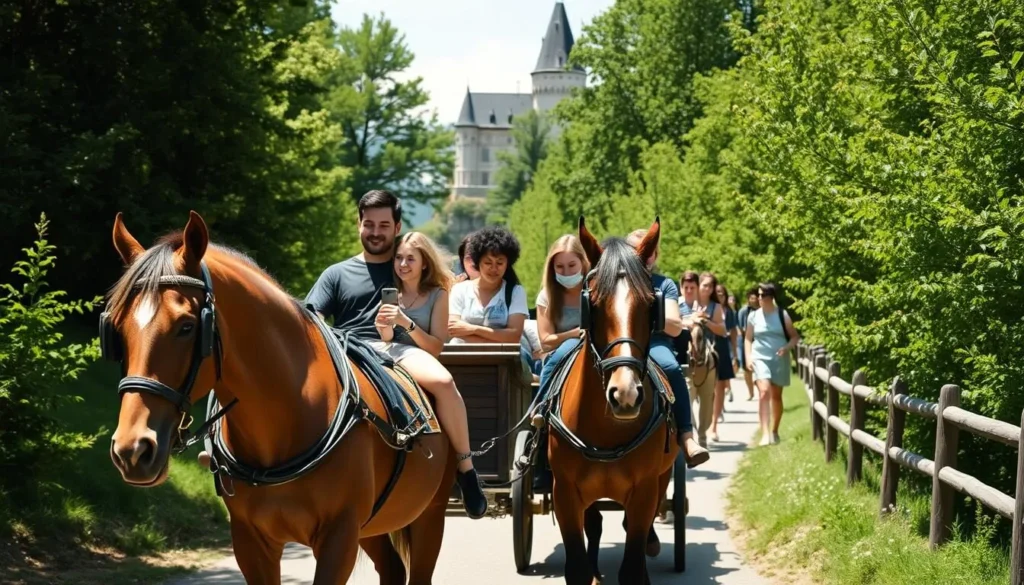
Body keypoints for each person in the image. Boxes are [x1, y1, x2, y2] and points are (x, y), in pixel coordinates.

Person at [304, 190, 488, 518]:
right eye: (369, 224)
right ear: (359, 225)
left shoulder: (406, 264)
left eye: (384, 225)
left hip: (398, 351)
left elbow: (435, 293)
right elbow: (311, 316)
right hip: (344, 352)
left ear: (397, 226)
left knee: (444, 382)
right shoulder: (336, 274)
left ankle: (466, 469)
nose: (376, 232)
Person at [624, 230, 708, 466]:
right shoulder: (617, 279)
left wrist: (647, 314)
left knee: (670, 366)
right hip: (617, 343)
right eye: (637, 251)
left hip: (654, 343)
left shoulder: (665, 284)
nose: (643, 256)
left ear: (656, 255)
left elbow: (673, 327)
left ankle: (687, 436)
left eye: (649, 251)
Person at [448, 225, 528, 344]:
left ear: (508, 264)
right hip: (463, 357)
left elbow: (514, 335)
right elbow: (453, 329)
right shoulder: (459, 290)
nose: (494, 268)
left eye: (500, 263)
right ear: (477, 262)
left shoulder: (515, 292)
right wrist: (497, 337)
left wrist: (473, 329)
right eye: (487, 262)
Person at [745, 282, 801, 446]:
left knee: (776, 397)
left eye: (762, 295)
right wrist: (748, 358)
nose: (759, 298)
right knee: (764, 392)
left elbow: (795, 337)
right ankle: (765, 433)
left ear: (771, 297)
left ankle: (774, 430)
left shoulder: (782, 315)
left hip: (779, 359)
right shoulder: (753, 316)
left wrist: (786, 347)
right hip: (759, 357)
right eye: (758, 295)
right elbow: (748, 338)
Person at [535, 235, 587, 390]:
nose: (566, 272)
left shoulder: (598, 290)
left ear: (583, 263)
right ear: (552, 268)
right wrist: (575, 333)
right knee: (563, 351)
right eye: (559, 267)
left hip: (596, 348)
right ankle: (541, 406)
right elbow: (546, 340)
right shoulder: (547, 296)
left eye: (572, 265)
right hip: (559, 353)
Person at [676, 271, 716, 447]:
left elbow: (720, 327)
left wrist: (703, 320)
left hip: (705, 355)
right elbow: (671, 323)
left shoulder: (704, 305)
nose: (689, 290)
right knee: (686, 396)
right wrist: (687, 321)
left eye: (692, 287)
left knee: (707, 398)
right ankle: (691, 433)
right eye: (686, 287)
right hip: (683, 357)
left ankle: (703, 434)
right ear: (681, 287)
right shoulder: (675, 304)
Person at [698, 272, 733, 443]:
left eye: (710, 286)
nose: (707, 288)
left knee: (717, 390)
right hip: (694, 352)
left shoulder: (716, 307)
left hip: (716, 349)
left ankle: (713, 427)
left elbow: (723, 330)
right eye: (704, 285)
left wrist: (706, 321)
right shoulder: (690, 303)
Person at [716, 283, 740, 403]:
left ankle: (727, 390)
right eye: (717, 292)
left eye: (722, 292)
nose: (720, 294)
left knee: (724, 375)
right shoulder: (709, 307)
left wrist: (735, 354)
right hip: (712, 345)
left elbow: (733, 332)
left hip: (725, 345)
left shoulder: (729, 312)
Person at [736, 287, 760, 400]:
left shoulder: (763, 310)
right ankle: (751, 392)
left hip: (760, 342)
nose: (754, 300)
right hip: (746, 341)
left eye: (756, 298)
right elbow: (741, 328)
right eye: (752, 298)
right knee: (747, 369)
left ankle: (761, 391)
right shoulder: (743, 311)